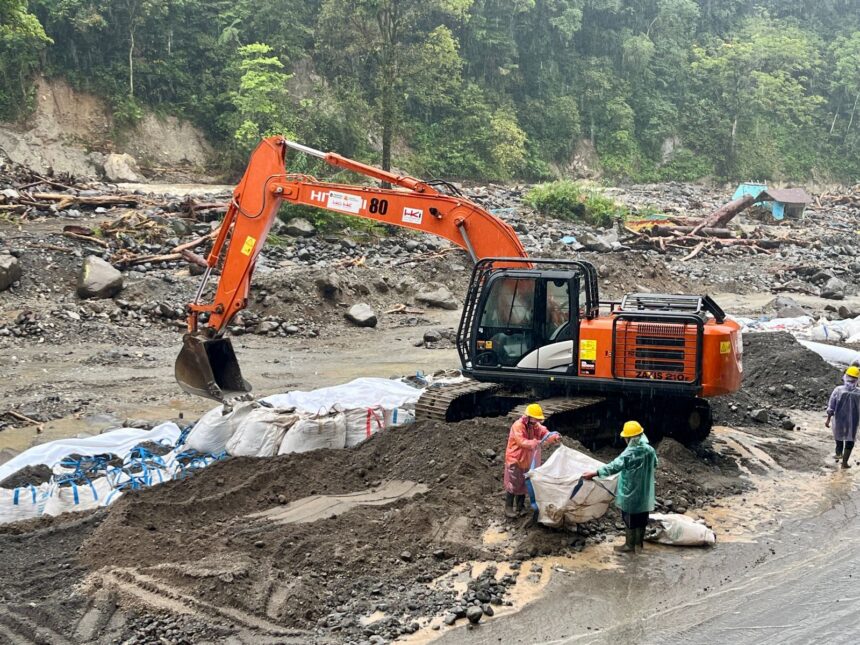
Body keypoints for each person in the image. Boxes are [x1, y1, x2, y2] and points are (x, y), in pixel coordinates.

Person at [582, 421, 658, 554]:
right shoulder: (650, 450)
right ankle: (639, 544)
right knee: (642, 517)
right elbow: (655, 464)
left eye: (625, 437)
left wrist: (595, 473)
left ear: (630, 438)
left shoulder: (629, 454)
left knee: (629, 518)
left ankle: (629, 545)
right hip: (644, 491)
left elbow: (613, 467)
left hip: (630, 492)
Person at [504, 403, 560, 518]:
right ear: (528, 417)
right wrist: (537, 442)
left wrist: (554, 437)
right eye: (535, 419)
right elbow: (522, 442)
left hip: (527, 460)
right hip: (515, 459)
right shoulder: (518, 426)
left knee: (525, 483)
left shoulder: (534, 425)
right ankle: (508, 507)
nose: (537, 421)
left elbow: (544, 432)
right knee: (514, 484)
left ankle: (520, 507)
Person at [826, 365, 860, 468]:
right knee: (850, 440)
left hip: (839, 419)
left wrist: (828, 419)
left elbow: (831, 407)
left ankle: (838, 453)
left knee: (839, 436)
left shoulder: (838, 390)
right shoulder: (859, 393)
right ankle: (844, 463)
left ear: (846, 377)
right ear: (857, 379)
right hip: (853, 421)